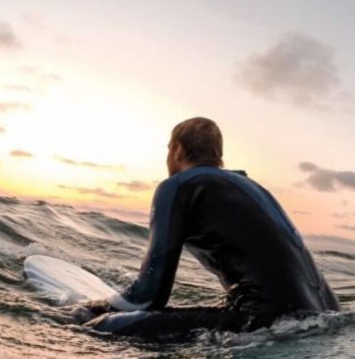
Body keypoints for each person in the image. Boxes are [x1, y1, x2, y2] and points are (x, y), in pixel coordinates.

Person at [78, 117, 340, 337]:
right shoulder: (254, 188)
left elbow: (148, 297)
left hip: (269, 325)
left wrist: (88, 309)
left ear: (177, 150)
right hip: (326, 320)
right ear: (218, 156)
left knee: (104, 326)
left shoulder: (180, 186)